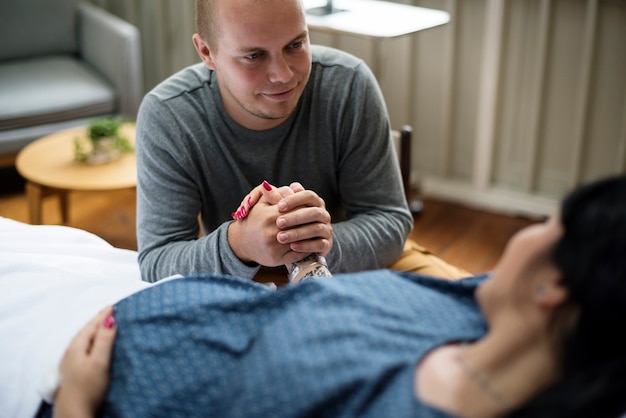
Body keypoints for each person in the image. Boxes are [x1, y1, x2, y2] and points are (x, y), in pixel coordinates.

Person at [47, 175, 626, 417]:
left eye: (552, 225)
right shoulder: (481, 305)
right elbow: (331, 318)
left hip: (83, 379)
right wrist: (303, 260)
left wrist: (76, 400)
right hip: (156, 308)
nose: (529, 233)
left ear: (553, 289)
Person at [135, 0, 415, 282]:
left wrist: (309, 242)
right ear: (207, 51)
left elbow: (389, 220)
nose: (283, 75)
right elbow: (157, 259)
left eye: (295, 45)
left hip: (342, 274)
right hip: (232, 286)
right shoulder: (169, 114)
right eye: (254, 56)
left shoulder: (348, 85)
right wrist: (238, 244)